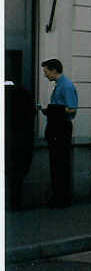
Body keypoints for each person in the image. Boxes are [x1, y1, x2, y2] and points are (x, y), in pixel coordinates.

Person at [39, 58, 78, 207]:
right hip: (57, 127)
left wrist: (51, 110)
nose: (45, 74)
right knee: (56, 164)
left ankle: (62, 199)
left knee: (60, 164)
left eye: (46, 71)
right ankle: (58, 197)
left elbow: (72, 109)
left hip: (61, 128)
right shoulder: (59, 85)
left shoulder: (66, 86)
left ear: (54, 70)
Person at [5, 81, 37, 210]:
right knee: (17, 176)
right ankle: (15, 204)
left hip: (7, 139)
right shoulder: (24, 94)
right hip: (22, 140)